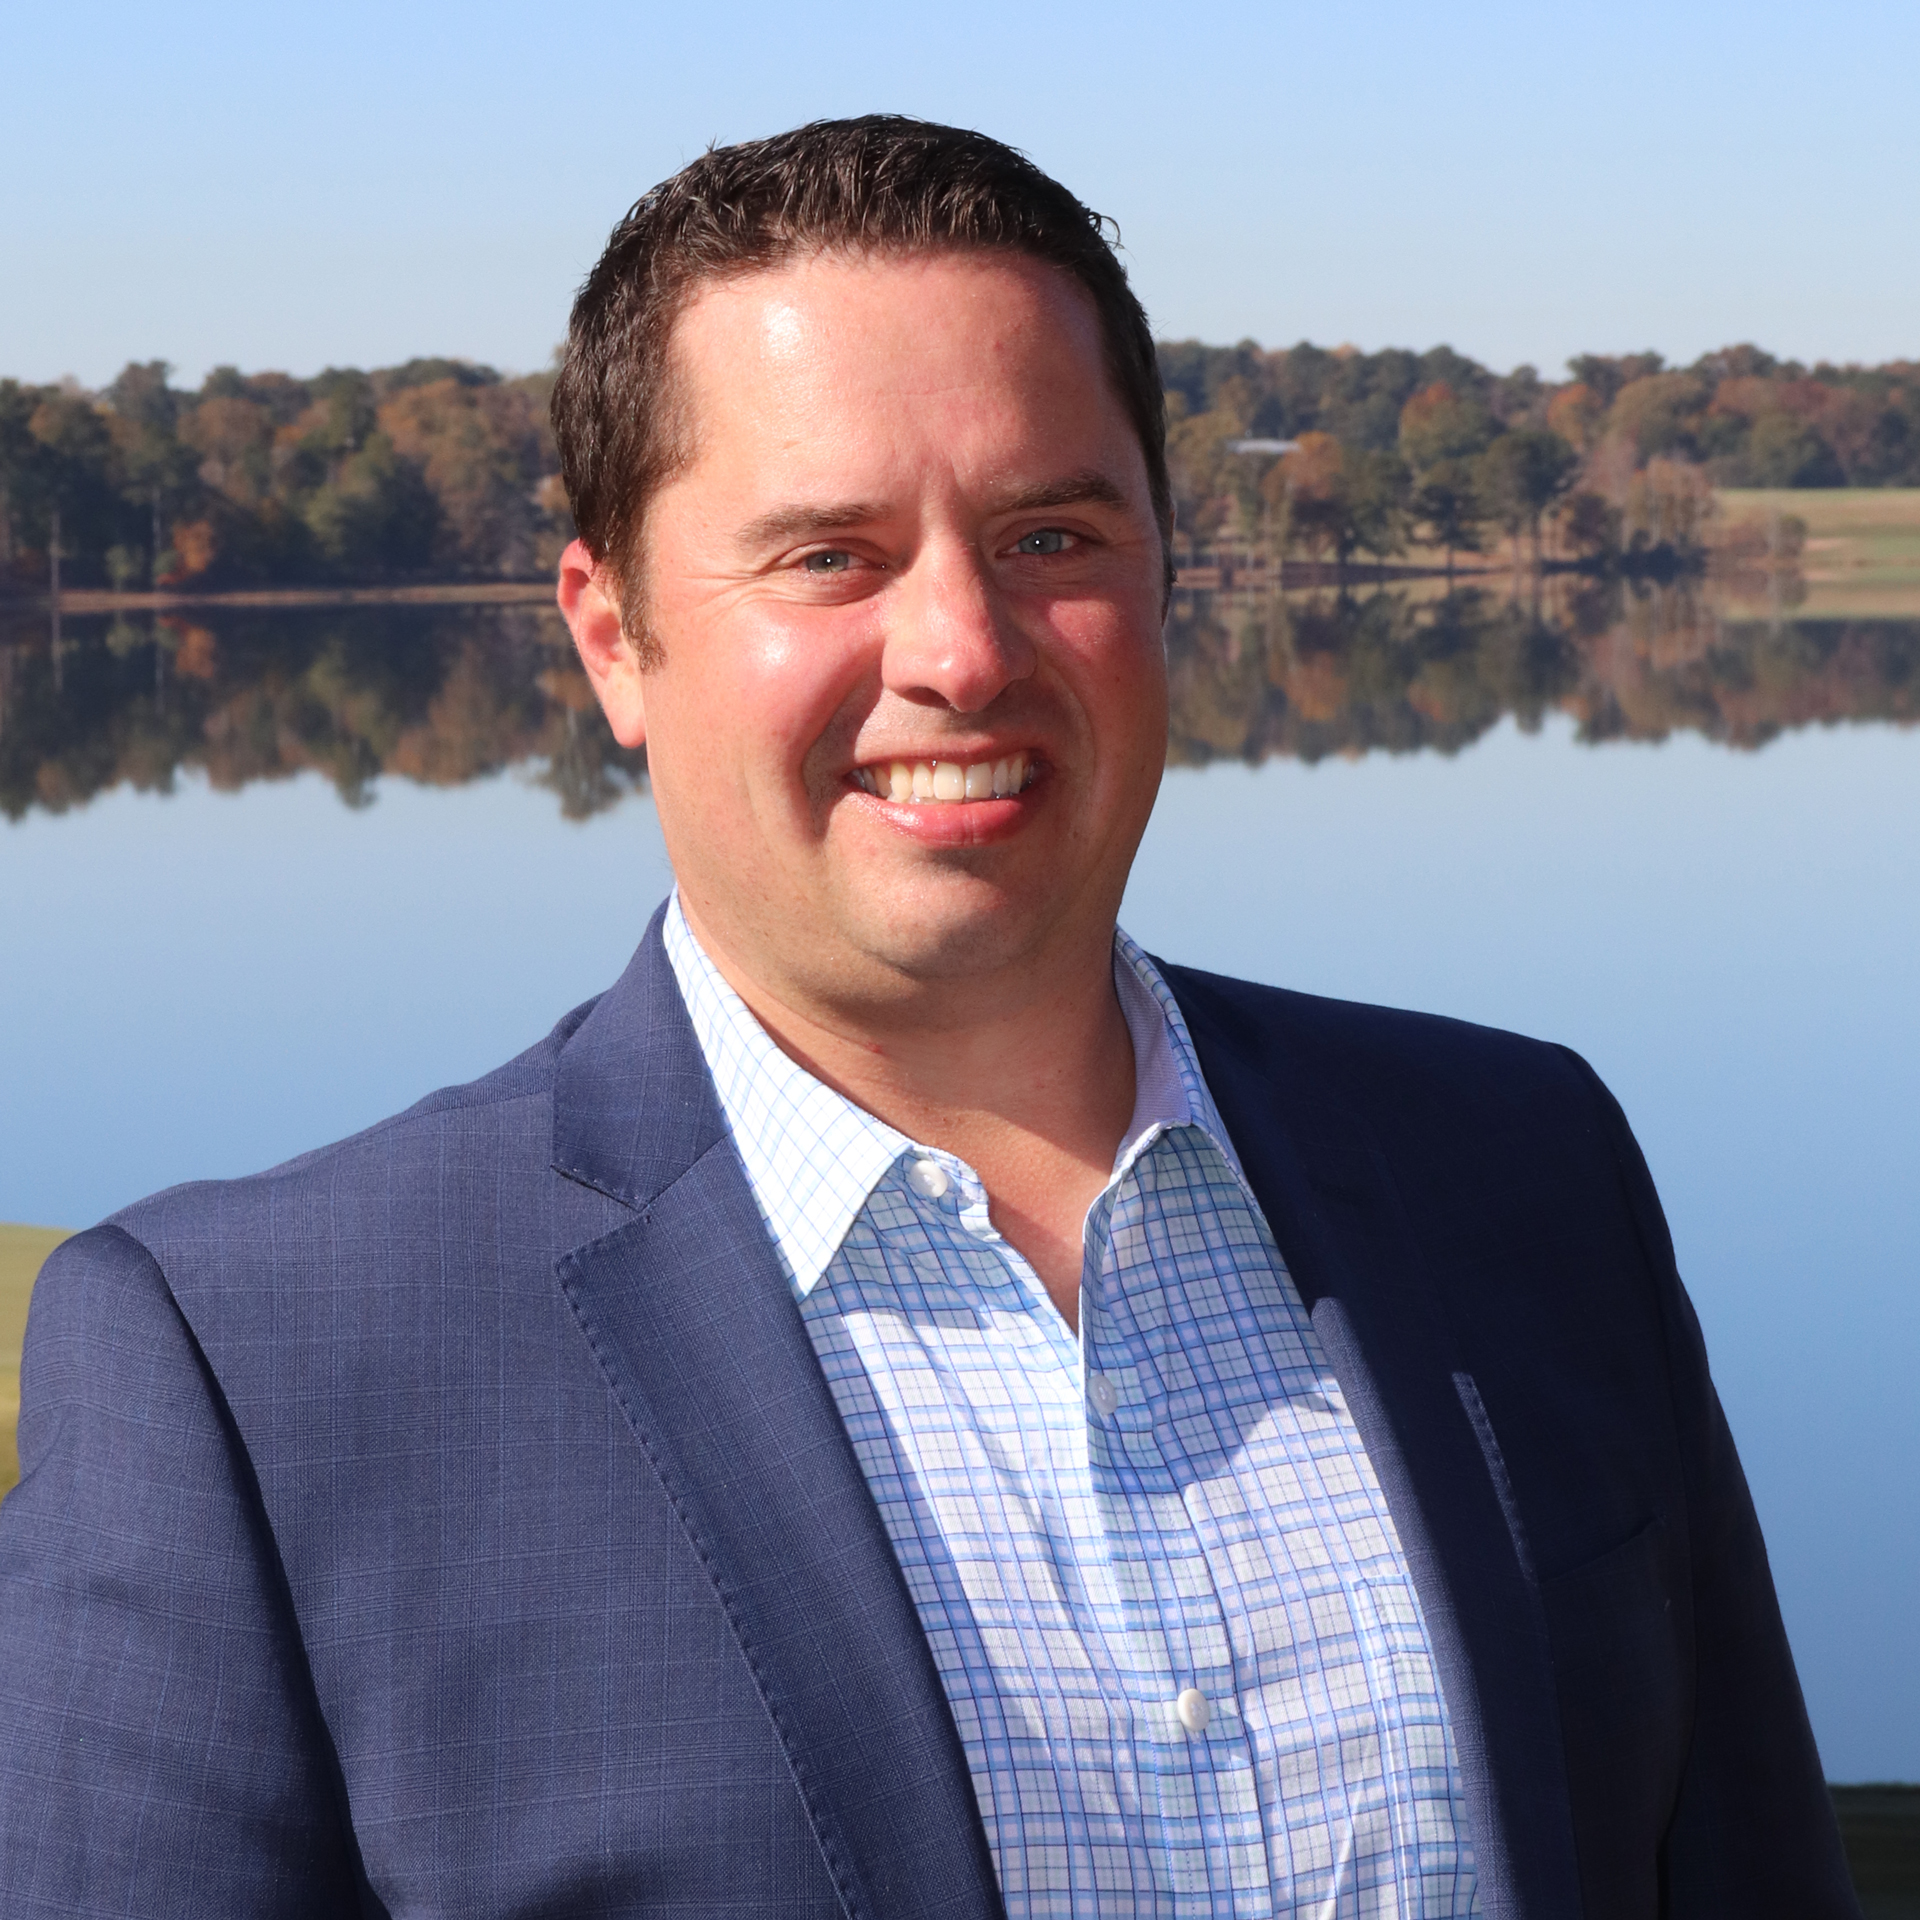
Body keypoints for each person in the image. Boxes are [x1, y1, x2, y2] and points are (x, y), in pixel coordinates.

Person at [0, 117, 1858, 1919]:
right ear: (614, 637)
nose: (963, 649)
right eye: (829, 554)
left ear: (1165, 570)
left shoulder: (1520, 1169)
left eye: (1050, 536)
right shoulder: (256, 1371)